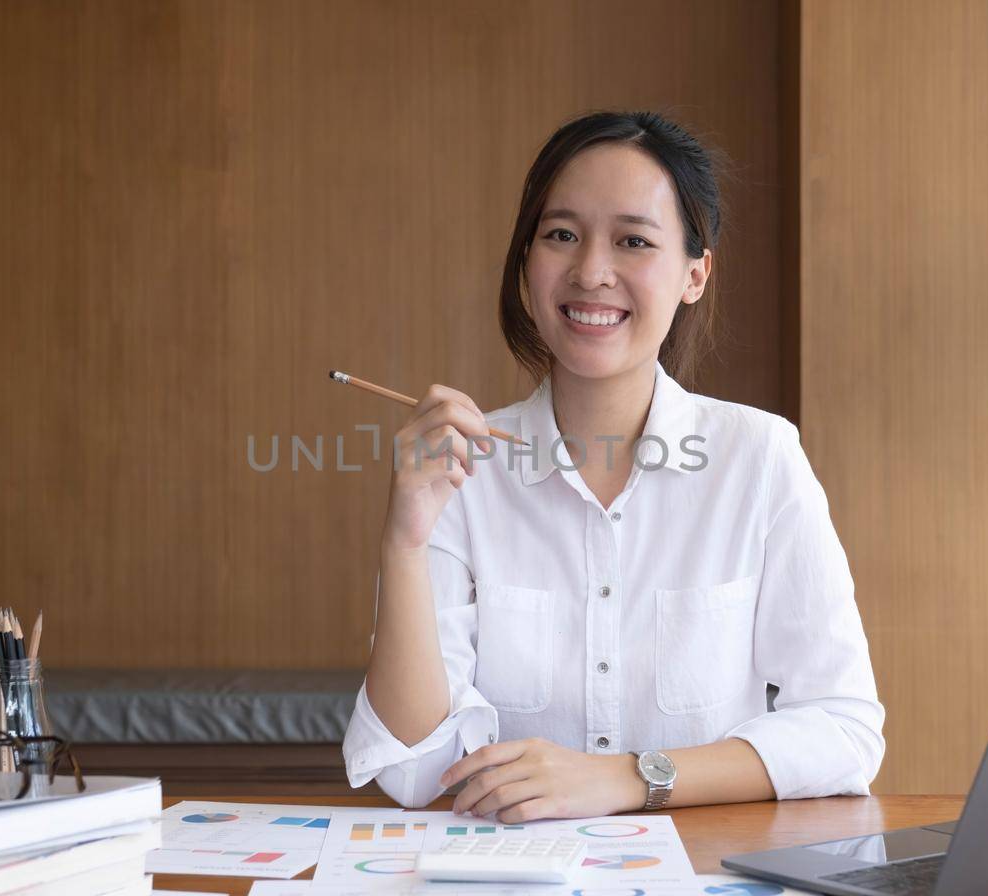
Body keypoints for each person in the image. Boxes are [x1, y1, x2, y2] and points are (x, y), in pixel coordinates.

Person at [341, 110, 884, 820]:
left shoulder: (759, 459)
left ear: (695, 273)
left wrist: (631, 777)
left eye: (633, 241)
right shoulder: (460, 473)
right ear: (526, 262)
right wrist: (404, 542)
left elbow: (843, 730)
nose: (592, 272)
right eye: (561, 235)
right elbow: (413, 770)